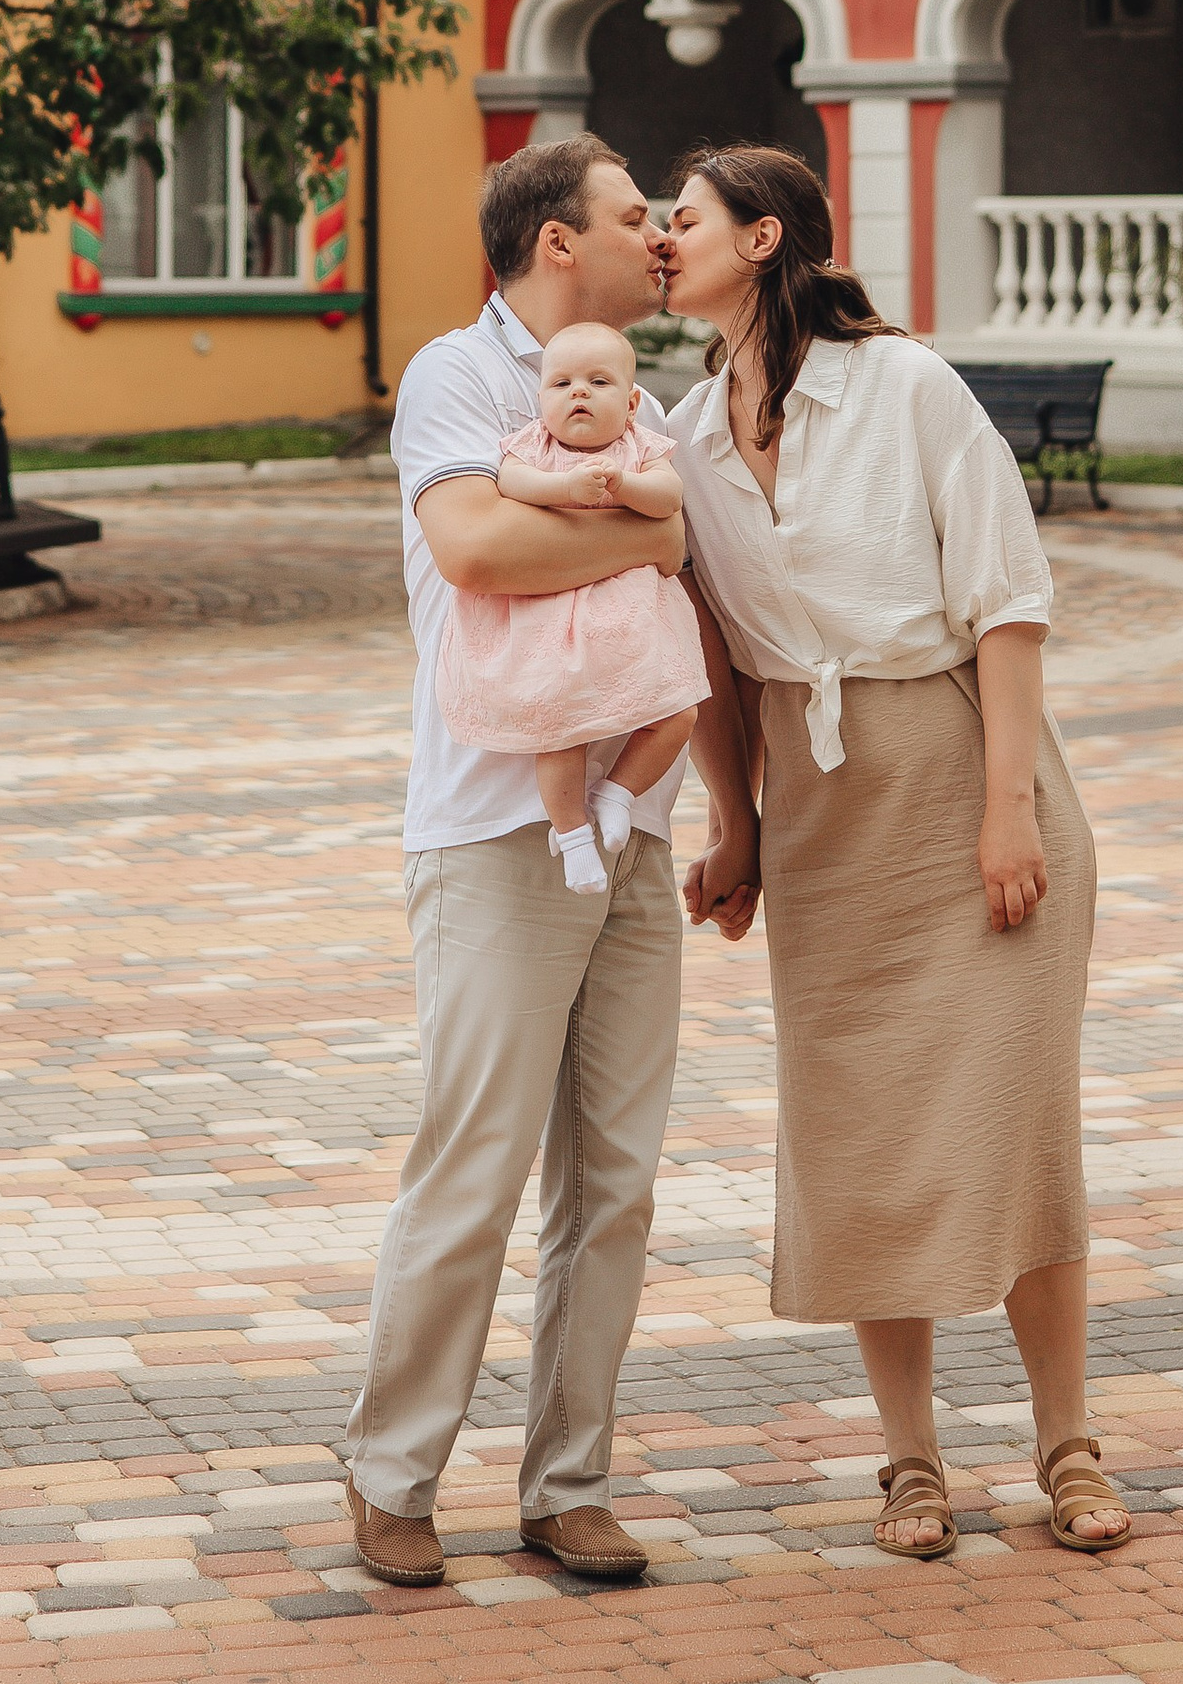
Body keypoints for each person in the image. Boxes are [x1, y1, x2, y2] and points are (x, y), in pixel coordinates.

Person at [665, 143, 1130, 1564]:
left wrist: (1008, 808)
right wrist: (736, 824)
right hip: (819, 815)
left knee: (1016, 1129)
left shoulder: (909, 388)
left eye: (681, 224)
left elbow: (1007, 603)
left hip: (958, 772)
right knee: (859, 1133)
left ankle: (1067, 1445)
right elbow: (720, 665)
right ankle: (910, 1463)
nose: (663, 244)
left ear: (762, 238)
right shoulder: (682, 437)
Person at [341, 136, 747, 1590]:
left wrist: (644, 529)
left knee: (617, 1181)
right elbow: (475, 552)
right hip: (494, 827)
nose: (657, 237)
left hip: (632, 829)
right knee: (478, 1163)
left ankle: (568, 1482)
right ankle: (392, 1475)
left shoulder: (651, 395)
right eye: (634, 215)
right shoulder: (457, 375)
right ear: (557, 241)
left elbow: (681, 560)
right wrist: (645, 532)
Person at [441, 319, 707, 892]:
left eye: (598, 381)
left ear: (632, 402)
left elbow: (669, 497)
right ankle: (571, 835)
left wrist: (622, 486)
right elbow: (511, 483)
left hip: (627, 620)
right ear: (541, 401)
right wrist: (565, 489)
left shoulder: (639, 448)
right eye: (560, 383)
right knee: (559, 729)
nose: (577, 392)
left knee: (680, 709)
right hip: (553, 619)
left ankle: (618, 792)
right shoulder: (533, 448)